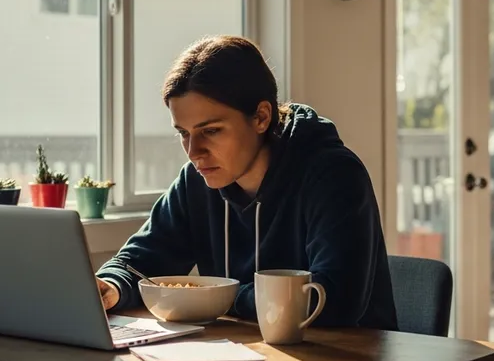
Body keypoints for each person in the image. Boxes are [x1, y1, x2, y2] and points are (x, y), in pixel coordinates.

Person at [95, 35, 397, 330]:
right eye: (184, 133)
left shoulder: (334, 175)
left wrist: (220, 297)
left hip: (348, 356)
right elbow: (140, 262)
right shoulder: (196, 182)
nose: (194, 152)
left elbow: (334, 300)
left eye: (211, 131)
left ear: (261, 117)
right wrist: (110, 286)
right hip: (248, 353)